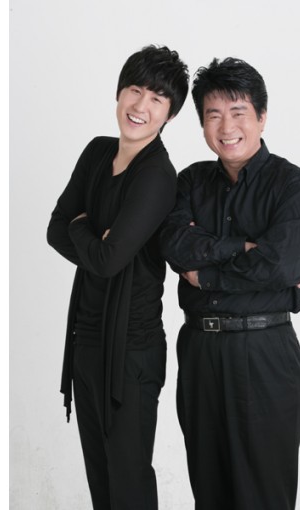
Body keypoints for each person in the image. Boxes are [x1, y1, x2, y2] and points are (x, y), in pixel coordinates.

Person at [159, 57, 300, 510]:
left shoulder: (292, 186)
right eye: (213, 115)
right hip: (200, 353)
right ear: (202, 124)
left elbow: (281, 266)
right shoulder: (190, 181)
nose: (226, 127)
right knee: (209, 494)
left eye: (238, 112)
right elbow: (174, 244)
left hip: (265, 351)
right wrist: (245, 248)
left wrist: (207, 273)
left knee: (262, 498)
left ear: (262, 117)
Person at [47, 45, 189, 510]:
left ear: (169, 114)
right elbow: (54, 230)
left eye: (157, 99)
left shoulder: (157, 176)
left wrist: (80, 226)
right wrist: (91, 235)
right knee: (102, 486)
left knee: (128, 486)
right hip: (86, 341)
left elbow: (106, 260)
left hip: (131, 352)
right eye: (135, 90)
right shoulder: (97, 152)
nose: (141, 106)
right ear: (119, 92)